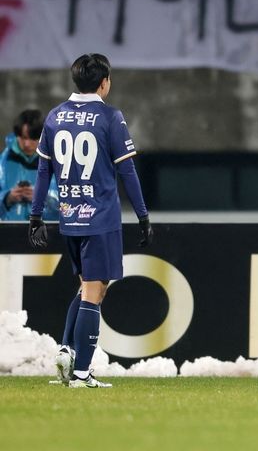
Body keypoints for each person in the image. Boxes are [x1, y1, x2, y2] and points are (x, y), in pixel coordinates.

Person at [28, 53, 153, 388]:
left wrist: (36, 215)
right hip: (100, 218)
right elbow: (127, 170)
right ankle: (82, 373)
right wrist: (143, 215)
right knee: (95, 293)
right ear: (104, 82)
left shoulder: (55, 117)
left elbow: (43, 171)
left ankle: (67, 352)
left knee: (86, 288)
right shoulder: (109, 117)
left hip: (69, 217)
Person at [0, 110, 59, 221]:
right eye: (23, 137)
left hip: (48, 234)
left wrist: (45, 199)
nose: (27, 144)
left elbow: (71, 206)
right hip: (7, 234)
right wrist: (7, 198)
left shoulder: (59, 163)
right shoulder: (2, 162)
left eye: (33, 138)